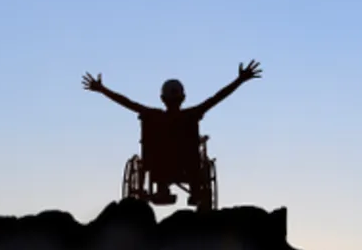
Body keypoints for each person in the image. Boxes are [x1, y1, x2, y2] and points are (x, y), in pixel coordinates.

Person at [82, 61, 262, 205]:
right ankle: (195, 190)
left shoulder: (152, 116)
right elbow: (217, 98)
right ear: (183, 98)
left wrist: (102, 89)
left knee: (158, 157)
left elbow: (126, 102)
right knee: (193, 156)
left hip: (158, 166)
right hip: (188, 165)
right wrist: (240, 80)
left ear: (162, 98)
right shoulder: (192, 115)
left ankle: (161, 189)